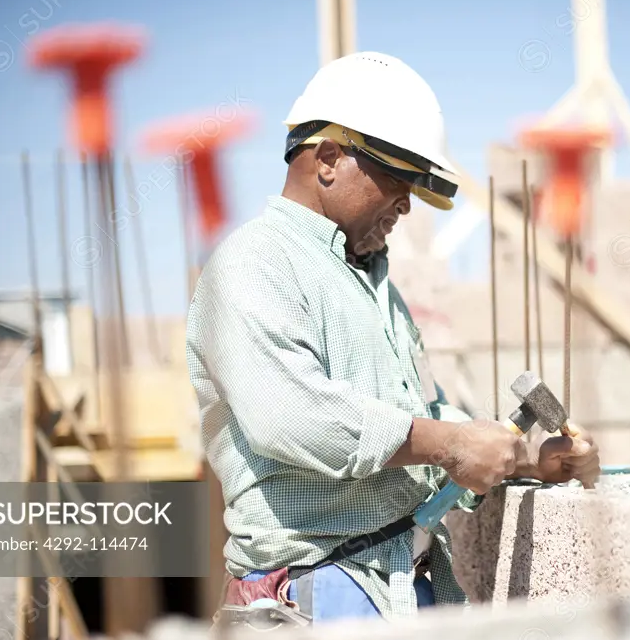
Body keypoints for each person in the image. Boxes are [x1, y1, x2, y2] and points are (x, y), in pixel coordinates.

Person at [187, 51, 600, 627]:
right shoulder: (253, 264)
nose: (406, 205)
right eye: (398, 181)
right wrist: (452, 443)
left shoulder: (373, 283)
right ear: (329, 158)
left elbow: (418, 421)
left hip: (399, 587)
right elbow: (292, 418)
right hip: (317, 598)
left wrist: (522, 460)